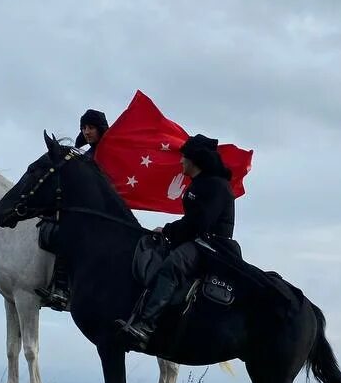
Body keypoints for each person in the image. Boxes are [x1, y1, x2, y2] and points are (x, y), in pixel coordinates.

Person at [117, 134, 235, 348]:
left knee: (172, 266)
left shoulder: (216, 186)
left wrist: (169, 230)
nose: (180, 161)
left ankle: (146, 325)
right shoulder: (201, 184)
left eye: (184, 157)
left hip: (212, 246)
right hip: (199, 241)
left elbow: (200, 223)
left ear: (194, 160)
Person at [37, 109, 108, 311]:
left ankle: (62, 289)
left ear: (100, 129)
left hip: (100, 213)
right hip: (85, 208)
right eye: (84, 128)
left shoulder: (107, 152)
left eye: (91, 127)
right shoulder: (87, 153)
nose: (87, 132)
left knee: (66, 235)